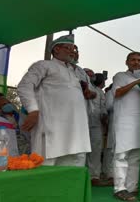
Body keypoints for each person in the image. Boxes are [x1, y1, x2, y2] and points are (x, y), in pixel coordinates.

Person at [17, 34, 91, 166]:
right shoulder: (44, 65)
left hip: (76, 130)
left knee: (73, 169)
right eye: (69, 48)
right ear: (56, 49)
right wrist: (33, 110)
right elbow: (24, 86)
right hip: (52, 127)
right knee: (47, 167)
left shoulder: (74, 73)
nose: (72, 52)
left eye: (74, 49)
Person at [112, 51, 140, 201]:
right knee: (121, 155)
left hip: (139, 122)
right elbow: (117, 93)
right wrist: (136, 83)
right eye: (132, 60)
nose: (136, 62)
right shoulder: (120, 76)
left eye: (139, 60)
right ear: (127, 62)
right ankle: (119, 188)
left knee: (136, 157)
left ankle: (131, 188)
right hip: (124, 122)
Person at [86, 73, 108, 185]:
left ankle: (94, 177)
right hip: (81, 123)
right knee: (80, 150)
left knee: (95, 150)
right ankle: (81, 175)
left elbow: (103, 109)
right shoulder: (82, 87)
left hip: (96, 124)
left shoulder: (100, 92)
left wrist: (104, 121)